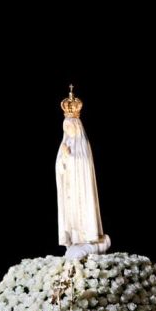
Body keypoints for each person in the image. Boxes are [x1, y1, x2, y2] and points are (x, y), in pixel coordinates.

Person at [56, 86, 111, 259]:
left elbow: (84, 164)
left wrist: (70, 157)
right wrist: (63, 159)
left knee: (82, 210)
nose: (67, 130)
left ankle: (88, 238)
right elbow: (59, 168)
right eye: (65, 127)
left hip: (81, 188)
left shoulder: (82, 144)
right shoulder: (65, 144)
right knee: (71, 213)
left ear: (76, 126)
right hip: (69, 190)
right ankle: (75, 240)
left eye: (69, 126)